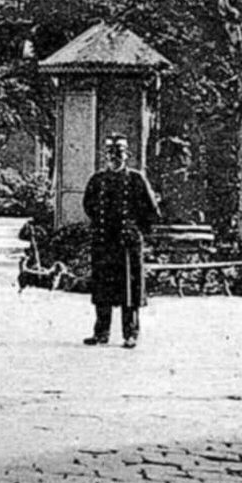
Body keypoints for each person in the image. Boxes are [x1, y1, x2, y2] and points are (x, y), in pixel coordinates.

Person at [81, 134, 161, 349]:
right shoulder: (97, 180)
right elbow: (88, 205)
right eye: (110, 154)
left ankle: (130, 333)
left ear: (127, 156)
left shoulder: (136, 179)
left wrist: (135, 229)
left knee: (129, 290)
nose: (114, 159)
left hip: (127, 242)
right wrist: (100, 224)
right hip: (104, 240)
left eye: (119, 154)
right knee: (102, 288)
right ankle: (101, 333)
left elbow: (151, 209)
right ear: (105, 157)